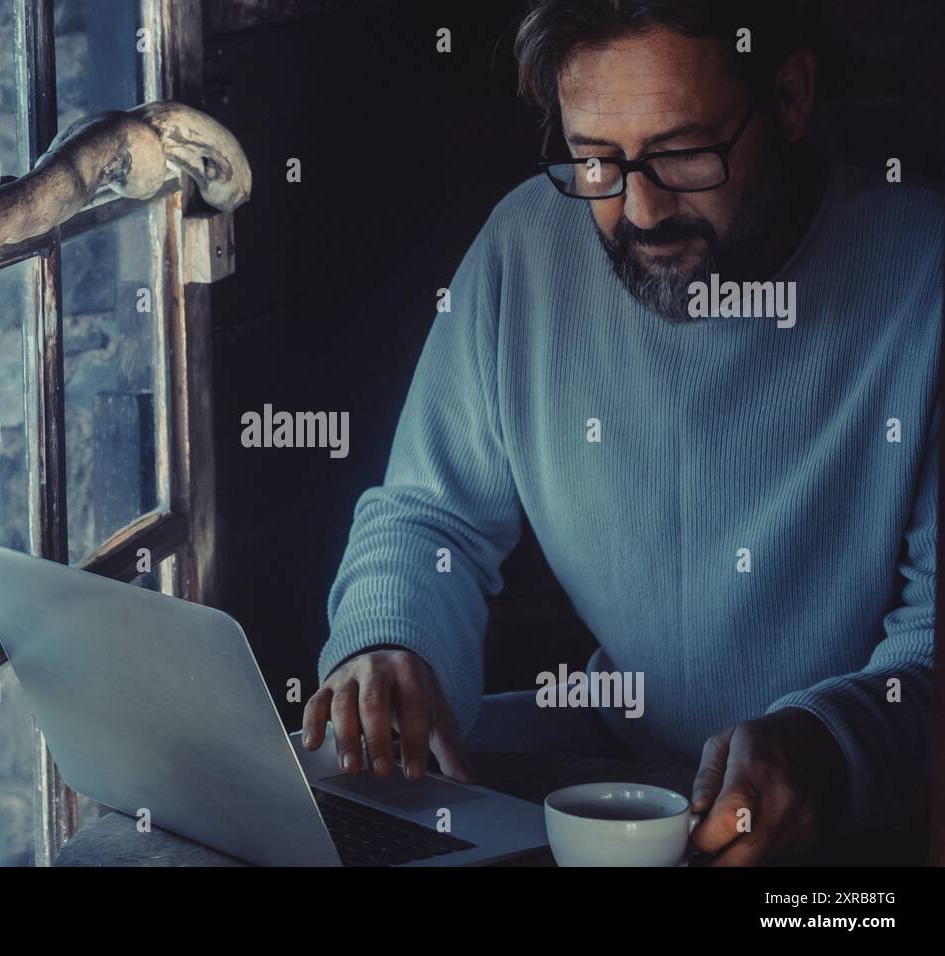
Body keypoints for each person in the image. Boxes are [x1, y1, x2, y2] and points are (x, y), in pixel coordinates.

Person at [303, 0, 939, 865]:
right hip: (609, 779)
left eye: (683, 153)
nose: (640, 210)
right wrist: (391, 640)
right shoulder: (526, 245)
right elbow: (431, 519)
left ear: (790, 97)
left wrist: (826, 747)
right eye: (596, 159)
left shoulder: (926, 279)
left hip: (860, 834)